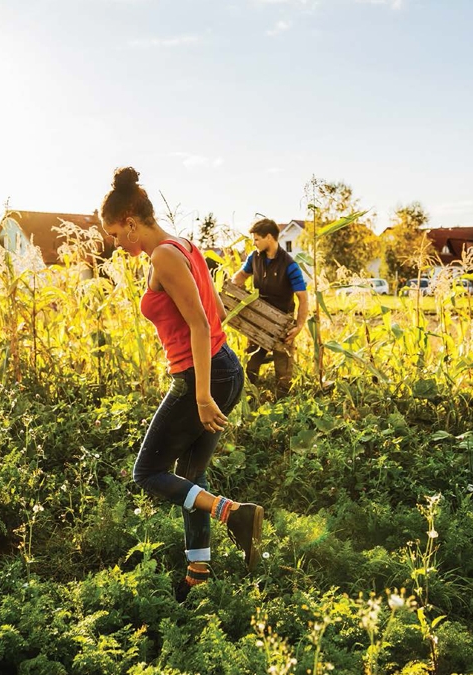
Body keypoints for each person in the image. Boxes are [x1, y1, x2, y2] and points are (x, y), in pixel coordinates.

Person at [99, 167, 264, 597]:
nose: (117, 244)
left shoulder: (164, 256)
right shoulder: (183, 246)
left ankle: (235, 515)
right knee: (192, 476)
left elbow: (199, 325)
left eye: (117, 234)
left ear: (132, 223)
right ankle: (198, 575)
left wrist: (203, 396)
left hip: (201, 375)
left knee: (147, 471)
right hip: (220, 367)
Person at [231, 218, 309, 396]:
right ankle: (250, 397)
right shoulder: (255, 257)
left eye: (257, 239)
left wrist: (299, 325)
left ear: (269, 237)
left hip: (282, 321)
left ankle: (283, 402)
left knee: (283, 367)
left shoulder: (290, 266)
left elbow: (303, 298)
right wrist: (233, 283)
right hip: (258, 317)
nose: (254, 243)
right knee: (251, 360)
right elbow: (243, 274)